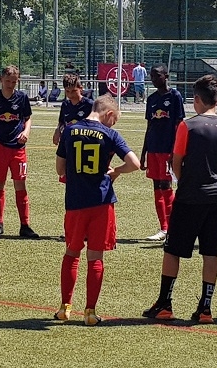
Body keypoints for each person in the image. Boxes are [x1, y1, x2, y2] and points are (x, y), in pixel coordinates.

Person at [142, 75, 217, 324]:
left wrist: (187, 180)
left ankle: (165, 303)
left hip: (190, 196)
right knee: (210, 252)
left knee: (172, 250)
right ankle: (205, 308)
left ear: (197, 99)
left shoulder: (187, 126)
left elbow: (176, 162)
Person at [54, 94, 141, 325]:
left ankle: (64, 308)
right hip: (101, 202)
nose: (113, 124)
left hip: (75, 202)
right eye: (114, 120)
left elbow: (60, 169)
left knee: (71, 252)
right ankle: (90, 312)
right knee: (95, 257)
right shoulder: (110, 134)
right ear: (109, 113)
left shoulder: (70, 130)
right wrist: (117, 171)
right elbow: (135, 163)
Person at [0, 65, 39, 239]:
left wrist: (26, 132)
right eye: (8, 81)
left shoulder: (22, 97)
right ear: (1, 80)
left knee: (20, 185)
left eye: (14, 82)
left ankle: (25, 225)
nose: (11, 84)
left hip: (18, 148)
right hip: (0, 147)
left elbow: (28, 118)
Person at [141, 64, 185, 241]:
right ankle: (164, 228)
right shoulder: (152, 99)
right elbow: (149, 126)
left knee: (166, 186)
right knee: (157, 187)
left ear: (166, 76)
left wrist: (175, 150)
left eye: (157, 75)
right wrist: (143, 153)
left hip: (168, 149)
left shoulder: (175, 96)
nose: (153, 79)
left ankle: (174, 227)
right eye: (152, 76)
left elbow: (179, 125)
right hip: (153, 149)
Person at [52, 73, 94, 146]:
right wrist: (57, 130)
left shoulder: (90, 104)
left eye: (74, 91)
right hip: (69, 142)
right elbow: (62, 122)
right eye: (67, 91)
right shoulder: (65, 105)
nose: (70, 94)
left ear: (80, 88)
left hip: (85, 142)